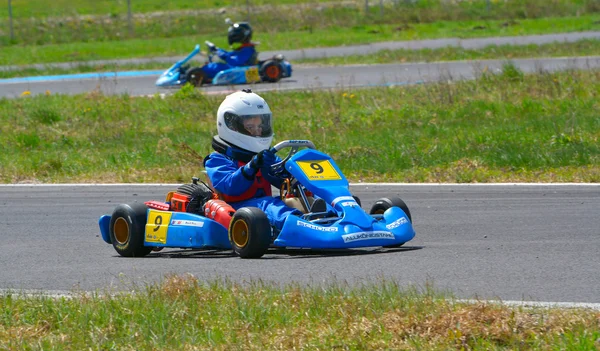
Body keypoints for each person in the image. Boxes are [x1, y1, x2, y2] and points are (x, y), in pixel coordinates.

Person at [203, 89, 308, 233]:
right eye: (250, 127)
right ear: (232, 127)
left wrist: (292, 175)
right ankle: (299, 227)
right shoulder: (217, 159)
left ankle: (331, 216)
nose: (257, 131)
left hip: (262, 207)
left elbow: (284, 183)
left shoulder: (263, 156)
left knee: (299, 200)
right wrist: (251, 167)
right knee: (270, 205)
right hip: (237, 209)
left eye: (259, 126)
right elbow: (230, 187)